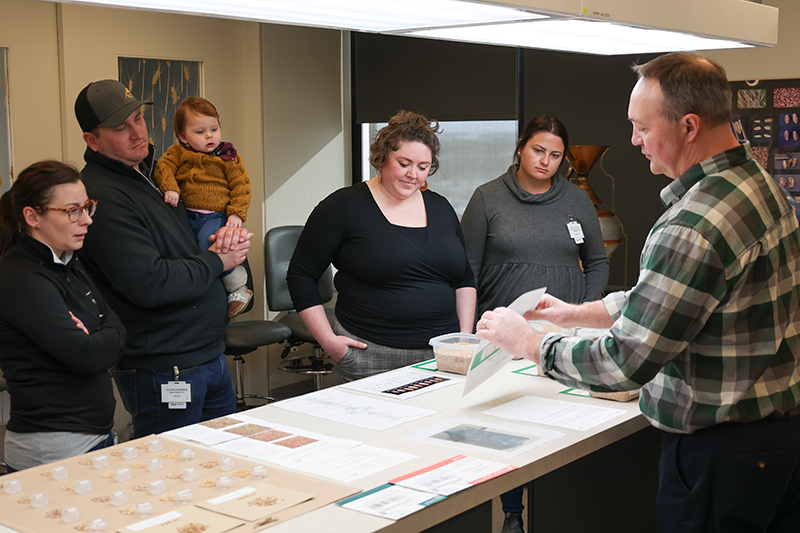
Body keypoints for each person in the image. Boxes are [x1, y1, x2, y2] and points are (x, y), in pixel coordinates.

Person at [476, 52, 800, 532]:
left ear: (689, 126)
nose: (634, 140)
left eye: (642, 127)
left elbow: (625, 363)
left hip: (720, 458)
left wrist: (530, 344)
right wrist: (574, 314)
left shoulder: (694, 223)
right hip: (776, 445)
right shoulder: (756, 183)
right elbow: (681, 300)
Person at [74, 79, 252, 439]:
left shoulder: (150, 175)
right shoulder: (102, 195)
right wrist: (219, 260)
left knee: (225, 465)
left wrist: (219, 240)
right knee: (174, 477)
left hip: (207, 353)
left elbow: (181, 249)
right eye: (120, 127)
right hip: (165, 367)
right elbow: (149, 283)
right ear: (92, 140)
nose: (137, 132)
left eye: (138, 119)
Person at [461, 115, 608, 533]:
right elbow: (465, 272)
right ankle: (510, 512)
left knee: (555, 423)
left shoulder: (576, 200)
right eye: (538, 150)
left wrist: (584, 312)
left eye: (556, 155)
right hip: (501, 336)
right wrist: (468, 330)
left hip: (562, 336)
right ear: (520, 147)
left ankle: (551, 509)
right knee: (506, 424)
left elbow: (597, 261)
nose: (546, 161)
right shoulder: (487, 198)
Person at [287, 110, 476, 383]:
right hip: (369, 354)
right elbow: (301, 275)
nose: (413, 174)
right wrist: (328, 341)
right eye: (404, 163)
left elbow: (464, 279)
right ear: (383, 156)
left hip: (442, 356)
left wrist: (463, 339)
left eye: (423, 167)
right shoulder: (342, 207)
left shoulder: (441, 208)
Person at [0, 160, 125, 471]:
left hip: (93, 436)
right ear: (32, 216)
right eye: (72, 211)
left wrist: (102, 331)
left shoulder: (68, 259)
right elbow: (89, 355)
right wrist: (101, 334)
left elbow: (118, 324)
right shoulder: (22, 278)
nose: (86, 221)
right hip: (53, 448)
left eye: (86, 207)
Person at [154, 97, 253, 318]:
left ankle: (238, 286)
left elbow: (241, 185)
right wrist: (170, 188)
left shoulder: (228, 157)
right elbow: (163, 168)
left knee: (210, 248)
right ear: (183, 136)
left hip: (215, 217)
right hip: (186, 216)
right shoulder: (178, 153)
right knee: (185, 253)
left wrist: (236, 213)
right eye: (200, 132)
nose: (209, 136)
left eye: (214, 129)